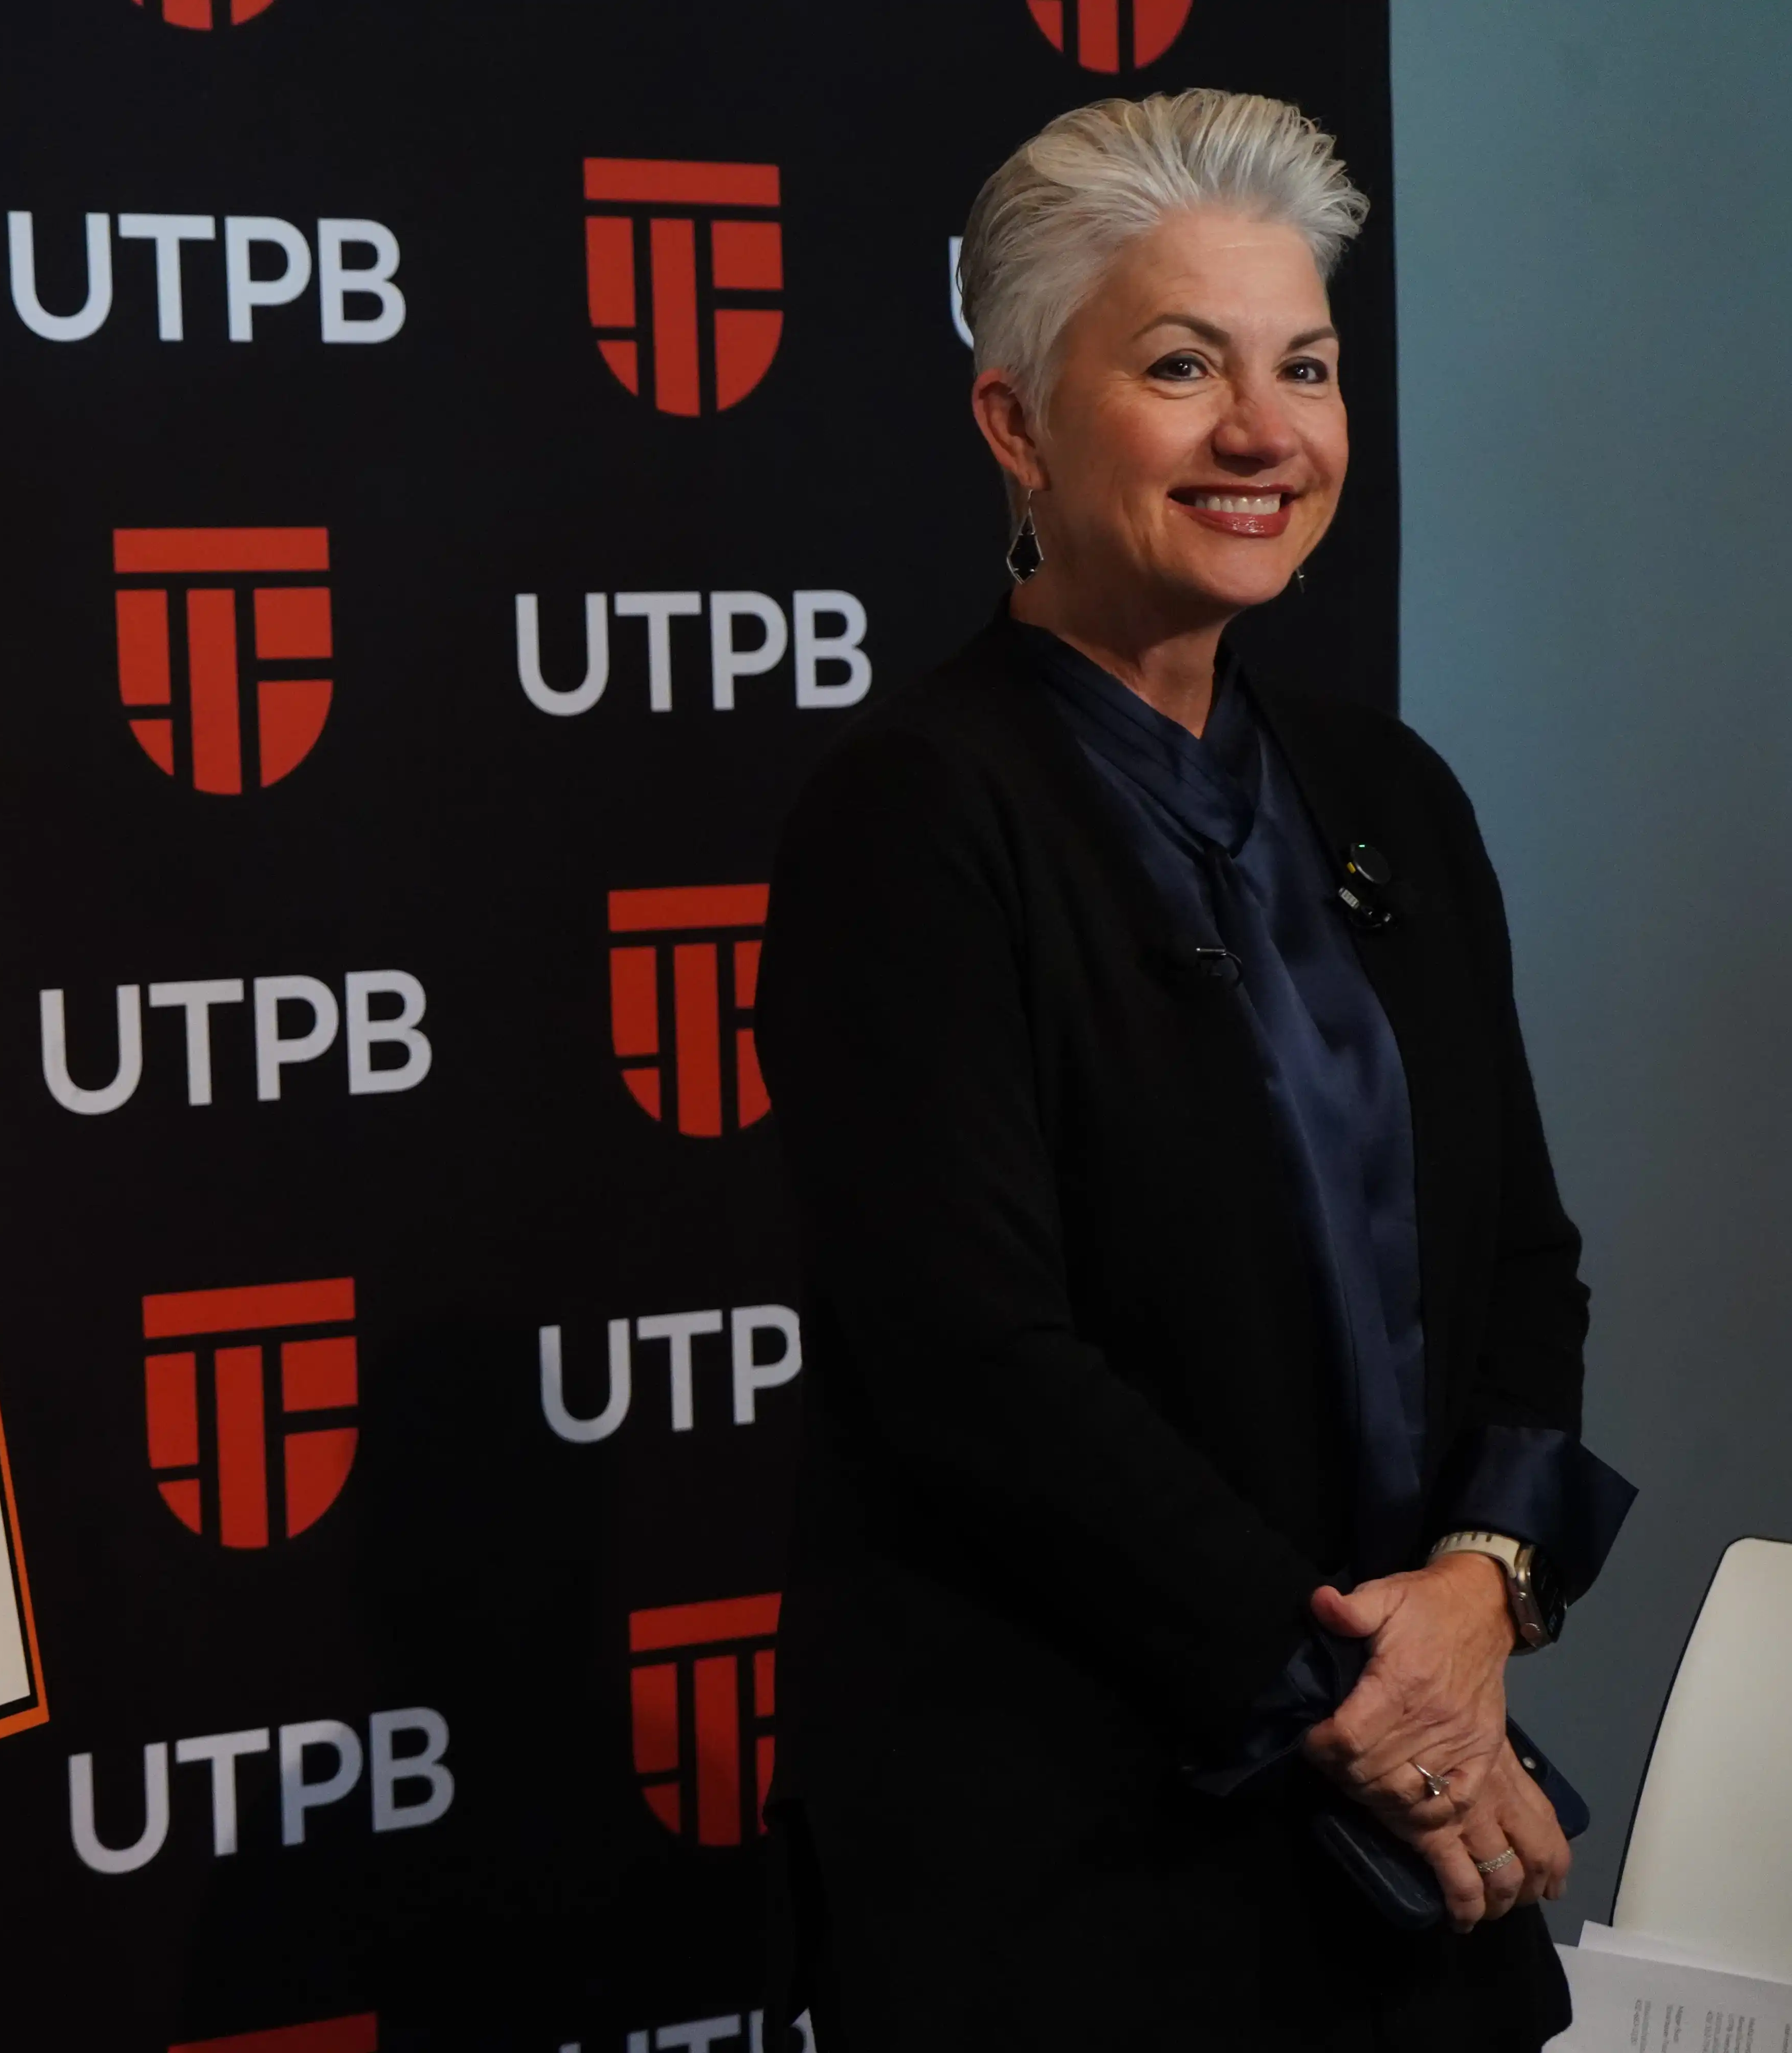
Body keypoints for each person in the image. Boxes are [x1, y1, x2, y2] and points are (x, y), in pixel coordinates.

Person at [755, 90, 1634, 2049]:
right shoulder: (915, 814)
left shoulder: (1392, 793)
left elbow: (1525, 1263)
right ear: (1015, 424)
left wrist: (1482, 1593)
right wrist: (1374, 1710)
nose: (1265, 432)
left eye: (1304, 367)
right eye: (1181, 367)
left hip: (1406, 1854)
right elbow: (977, 1369)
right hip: (1080, 1872)